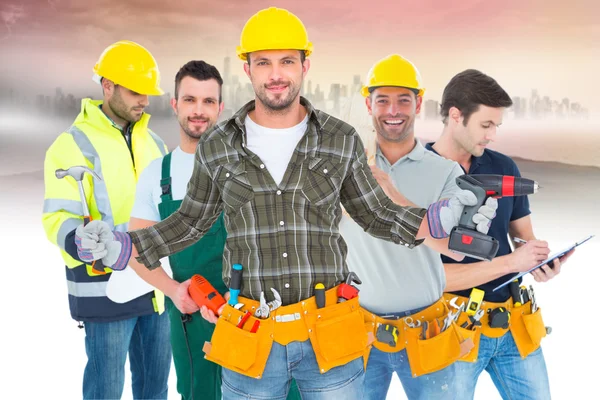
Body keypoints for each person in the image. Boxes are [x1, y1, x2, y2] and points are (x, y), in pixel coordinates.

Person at [75, 8, 494, 399]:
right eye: (263, 63)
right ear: (248, 69)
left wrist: (439, 219)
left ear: (304, 65)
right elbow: (189, 223)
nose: (276, 75)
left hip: (330, 337)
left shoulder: (339, 139)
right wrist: (125, 246)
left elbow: (378, 216)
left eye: (287, 62)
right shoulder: (218, 146)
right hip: (250, 338)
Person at [128, 60, 302, 400]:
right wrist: (174, 290)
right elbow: (136, 250)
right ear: (175, 104)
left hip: (258, 315)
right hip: (193, 319)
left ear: (220, 108)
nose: (199, 111)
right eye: (190, 100)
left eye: (208, 101)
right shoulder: (157, 175)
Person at [340, 54, 491, 400]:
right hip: (356, 331)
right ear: (369, 104)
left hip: (428, 332)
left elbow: (456, 247)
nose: (393, 110)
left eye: (403, 100)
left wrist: (396, 201)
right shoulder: (344, 171)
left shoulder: (446, 173)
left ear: (419, 103)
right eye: (383, 100)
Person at [426, 69, 575, 400]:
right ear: (455, 116)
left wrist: (539, 262)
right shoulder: (415, 173)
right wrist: (512, 262)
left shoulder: (504, 167)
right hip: (451, 330)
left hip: (512, 321)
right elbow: (429, 279)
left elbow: (523, 239)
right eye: (485, 125)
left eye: (497, 126)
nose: (492, 135)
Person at [42, 40, 171, 399]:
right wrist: (77, 239)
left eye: (147, 92)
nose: (144, 101)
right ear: (108, 86)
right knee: (105, 391)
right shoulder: (71, 145)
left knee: (155, 391)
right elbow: (57, 215)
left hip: (156, 289)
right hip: (105, 289)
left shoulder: (156, 145)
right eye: (135, 91)